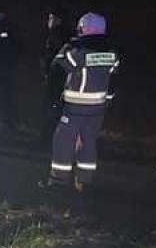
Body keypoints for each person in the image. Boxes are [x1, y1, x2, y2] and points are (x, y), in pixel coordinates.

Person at [43, 12, 120, 191]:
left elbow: (56, 68)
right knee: (88, 142)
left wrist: (67, 46)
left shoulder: (76, 52)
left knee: (63, 140)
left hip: (74, 107)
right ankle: (85, 180)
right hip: (98, 108)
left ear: (83, 29)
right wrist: (108, 100)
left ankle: (59, 181)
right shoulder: (112, 53)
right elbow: (113, 81)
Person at [39, 8, 74, 142]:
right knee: (57, 105)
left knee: (52, 105)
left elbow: (51, 56)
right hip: (59, 75)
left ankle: (48, 135)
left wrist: (47, 71)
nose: (49, 21)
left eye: (51, 18)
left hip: (55, 76)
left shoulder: (56, 35)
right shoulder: (64, 35)